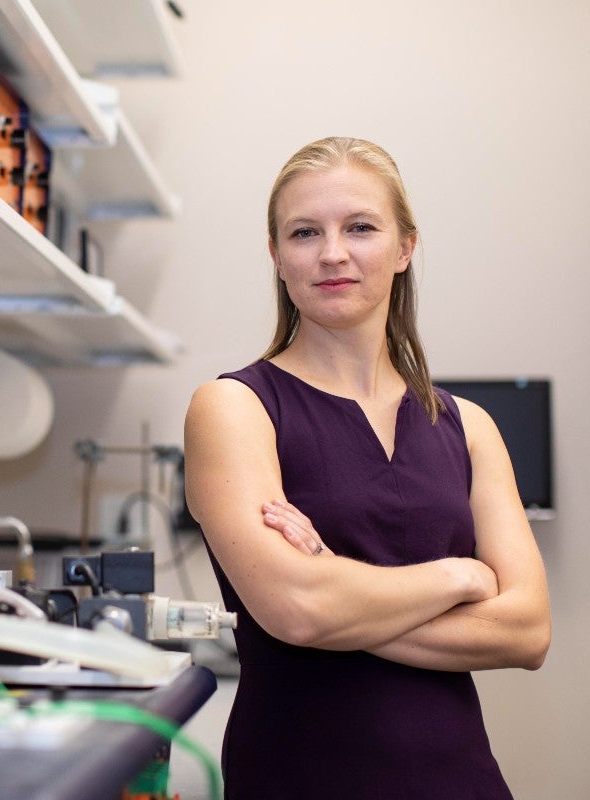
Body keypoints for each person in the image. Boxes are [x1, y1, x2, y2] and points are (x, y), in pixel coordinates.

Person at [183, 136, 551, 799]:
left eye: (360, 227)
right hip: (298, 777)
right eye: (303, 232)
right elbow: (299, 611)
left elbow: (527, 631)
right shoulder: (234, 408)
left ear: (405, 247)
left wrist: (334, 584)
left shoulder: (468, 426)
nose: (332, 253)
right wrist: (459, 575)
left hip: (461, 780)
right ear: (277, 256)